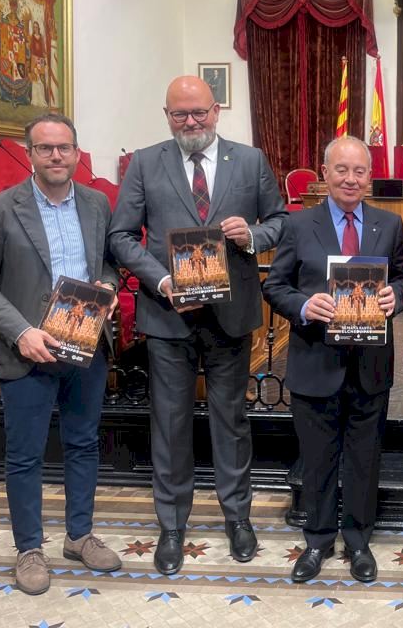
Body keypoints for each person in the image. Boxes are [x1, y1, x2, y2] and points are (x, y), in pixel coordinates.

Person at [109, 75, 286, 575]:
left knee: (232, 421)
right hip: (168, 314)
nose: (191, 122)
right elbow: (121, 236)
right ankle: (171, 524)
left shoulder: (249, 160)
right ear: (167, 116)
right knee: (169, 423)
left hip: (231, 314)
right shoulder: (146, 162)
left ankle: (238, 517)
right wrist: (162, 281)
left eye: (199, 112)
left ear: (216, 111)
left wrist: (251, 236)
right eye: (180, 114)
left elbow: (280, 221)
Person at [0, 114, 121, 595]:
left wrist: (108, 287)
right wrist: (20, 332)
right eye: (45, 148)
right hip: (28, 349)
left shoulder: (96, 204)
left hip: (85, 343)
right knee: (25, 455)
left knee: (83, 443)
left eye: (64, 147)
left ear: (76, 152)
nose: (56, 155)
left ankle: (79, 536)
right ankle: (29, 548)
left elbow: (108, 263)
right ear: (29, 153)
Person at [262, 136, 403, 583]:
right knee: (318, 459)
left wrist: (395, 296)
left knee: (365, 459)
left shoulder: (389, 225)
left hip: (370, 366)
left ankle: (359, 541)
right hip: (315, 362)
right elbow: (275, 285)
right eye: (341, 170)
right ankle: (318, 539)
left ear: (370, 177)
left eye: (359, 171)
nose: (350, 179)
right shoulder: (298, 224)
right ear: (325, 173)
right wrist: (305, 306)